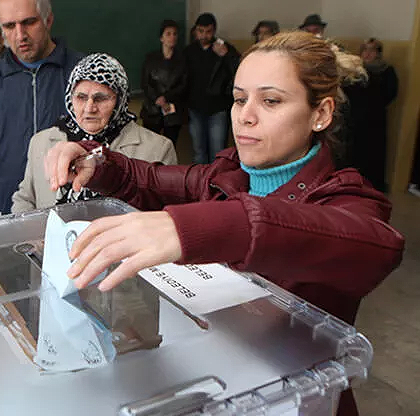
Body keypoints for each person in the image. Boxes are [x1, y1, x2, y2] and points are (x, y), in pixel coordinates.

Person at [45, 32, 404, 415]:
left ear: (321, 114)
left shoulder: (347, 199)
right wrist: (94, 161)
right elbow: (144, 178)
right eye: (238, 98)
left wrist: (193, 227)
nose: (245, 115)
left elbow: (376, 245)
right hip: (217, 390)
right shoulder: (225, 175)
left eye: (270, 100)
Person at [0, 0, 84, 219]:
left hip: (66, 217)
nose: (19, 35)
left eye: (29, 22)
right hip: (1, 216)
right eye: (9, 26)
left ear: (48, 20)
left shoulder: (81, 75)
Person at [12, 53, 177, 212]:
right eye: (81, 97)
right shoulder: (41, 142)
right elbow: (25, 199)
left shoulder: (158, 149)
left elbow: (164, 215)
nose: (89, 108)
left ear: (120, 101)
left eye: (101, 98)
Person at [343, 38, 398, 192]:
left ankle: (370, 184)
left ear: (378, 53)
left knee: (373, 152)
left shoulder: (386, 70)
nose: (367, 54)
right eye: (365, 50)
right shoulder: (354, 70)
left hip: (375, 119)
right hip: (354, 117)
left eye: (372, 50)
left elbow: (391, 93)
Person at [184, 13, 240, 164]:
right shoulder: (189, 51)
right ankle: (199, 185)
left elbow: (239, 72)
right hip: (195, 108)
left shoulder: (225, 48)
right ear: (195, 31)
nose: (204, 35)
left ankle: (215, 184)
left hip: (218, 109)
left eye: (208, 31)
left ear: (214, 31)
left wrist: (226, 55)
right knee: (198, 152)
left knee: (218, 152)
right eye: (200, 31)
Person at [140, 19, 187, 146]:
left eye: (175, 34)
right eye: (168, 34)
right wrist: (157, 99)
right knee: (149, 147)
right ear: (161, 38)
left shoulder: (182, 60)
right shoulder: (151, 58)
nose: (172, 37)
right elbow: (145, 83)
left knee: (169, 146)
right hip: (152, 110)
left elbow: (184, 84)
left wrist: (166, 98)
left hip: (173, 112)